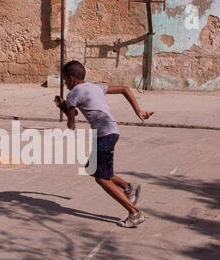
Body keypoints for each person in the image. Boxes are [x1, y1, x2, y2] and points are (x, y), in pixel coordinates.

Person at [55, 60, 154, 228]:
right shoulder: (95, 87)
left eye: (65, 80)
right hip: (112, 131)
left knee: (101, 178)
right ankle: (128, 187)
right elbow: (125, 89)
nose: (65, 83)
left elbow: (72, 125)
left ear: (71, 78)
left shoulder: (73, 95)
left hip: (104, 136)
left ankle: (134, 213)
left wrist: (64, 108)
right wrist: (139, 111)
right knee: (91, 168)